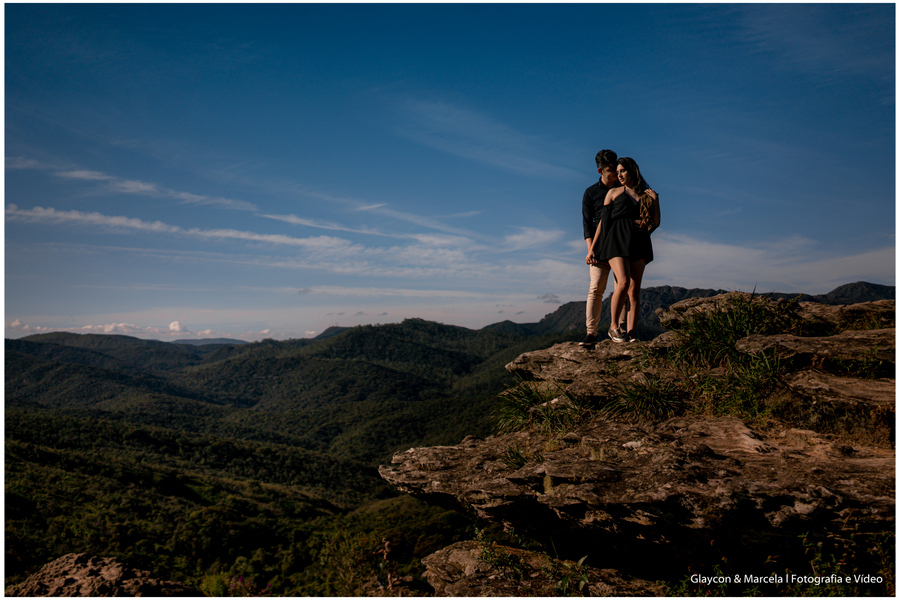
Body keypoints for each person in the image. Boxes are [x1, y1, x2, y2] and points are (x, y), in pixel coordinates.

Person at [591, 156, 659, 342]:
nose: (619, 175)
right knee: (622, 283)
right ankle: (613, 327)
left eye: (623, 171)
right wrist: (593, 248)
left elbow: (655, 222)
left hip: (639, 242)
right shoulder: (612, 193)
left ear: (632, 171)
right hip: (616, 241)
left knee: (634, 290)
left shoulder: (645, 194)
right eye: (617, 171)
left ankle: (631, 334)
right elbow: (603, 222)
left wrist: (656, 201)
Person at [579, 149, 621, 347]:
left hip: (621, 244)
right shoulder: (591, 193)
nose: (614, 173)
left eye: (615, 168)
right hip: (599, 246)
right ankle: (591, 333)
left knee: (622, 287)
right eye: (610, 170)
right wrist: (590, 250)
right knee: (596, 288)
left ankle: (620, 330)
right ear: (600, 170)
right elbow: (587, 223)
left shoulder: (624, 187)